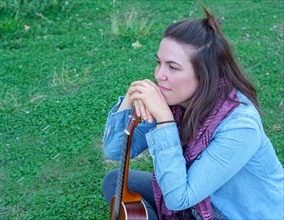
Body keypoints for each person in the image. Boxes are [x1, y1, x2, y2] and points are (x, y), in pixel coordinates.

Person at [102, 4, 284, 220]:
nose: (160, 75)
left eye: (173, 67)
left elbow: (179, 199)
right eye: (159, 63)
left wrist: (164, 122)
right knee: (115, 181)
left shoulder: (240, 126)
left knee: (173, 196)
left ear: (205, 74)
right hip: (195, 202)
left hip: (232, 213)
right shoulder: (175, 98)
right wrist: (128, 103)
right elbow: (115, 151)